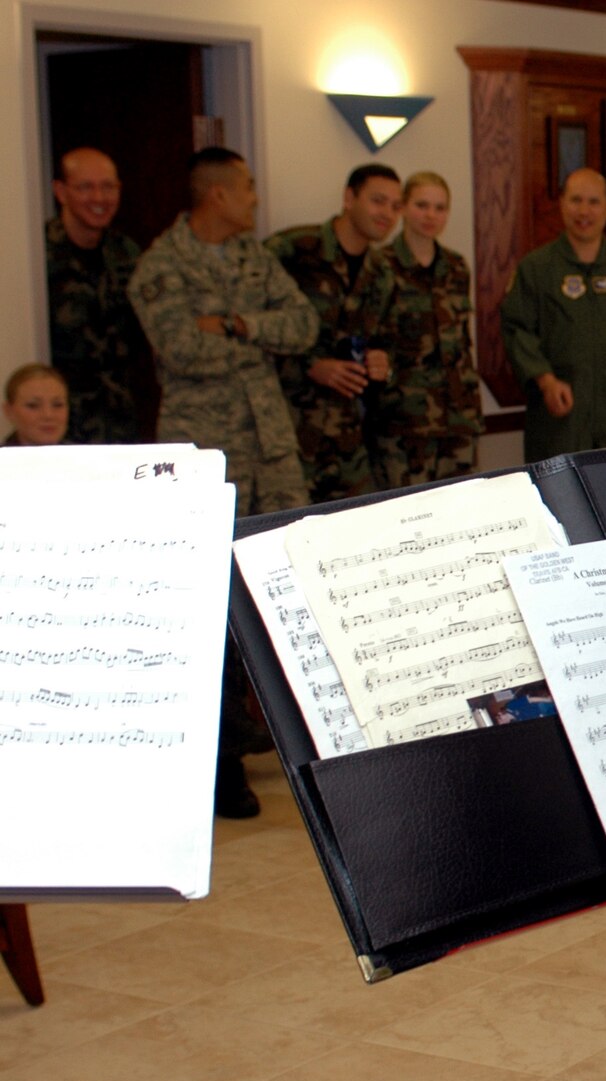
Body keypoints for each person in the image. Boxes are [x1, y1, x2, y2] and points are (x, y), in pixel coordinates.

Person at [130, 146, 320, 820]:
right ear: (215, 194)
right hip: (204, 455)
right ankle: (220, 766)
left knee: (283, 597)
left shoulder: (252, 258)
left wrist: (238, 324)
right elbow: (180, 347)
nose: (255, 197)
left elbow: (302, 326)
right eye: (245, 187)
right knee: (208, 613)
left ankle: (305, 747)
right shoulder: (161, 267)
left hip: (273, 453)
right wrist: (253, 341)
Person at [499, 168, 606, 463]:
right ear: (562, 204)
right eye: (576, 200)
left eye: (593, 202)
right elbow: (517, 330)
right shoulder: (536, 269)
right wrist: (545, 380)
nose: (584, 211)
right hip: (559, 419)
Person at [266, 163, 402, 501]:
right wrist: (309, 365)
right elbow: (249, 330)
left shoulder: (381, 272)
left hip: (348, 440)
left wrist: (382, 360)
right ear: (348, 197)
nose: (387, 213)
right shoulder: (292, 250)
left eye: (395, 206)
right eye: (377, 201)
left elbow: (386, 340)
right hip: (286, 435)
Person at [379, 172, 482, 481]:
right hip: (403, 421)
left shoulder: (456, 266)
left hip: (458, 416)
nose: (431, 215)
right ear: (403, 208)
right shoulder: (380, 265)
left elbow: (463, 342)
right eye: (422, 205)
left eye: (440, 208)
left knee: (462, 511)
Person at [45, 147, 145, 443]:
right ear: (61, 192)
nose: (99, 199)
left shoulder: (127, 254)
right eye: (86, 187)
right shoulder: (37, 255)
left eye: (108, 187)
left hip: (119, 419)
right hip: (57, 423)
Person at [3, 364, 69, 445]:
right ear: (9, 411)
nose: (48, 415)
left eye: (57, 405)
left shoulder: (83, 456)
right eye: (33, 405)